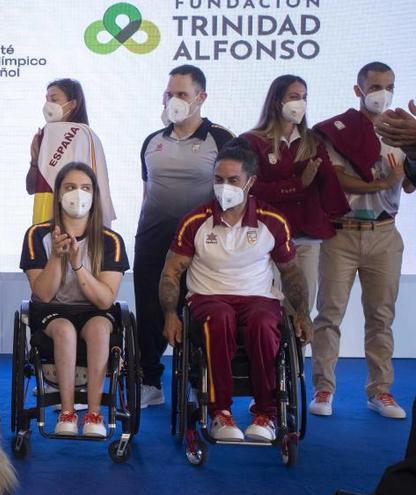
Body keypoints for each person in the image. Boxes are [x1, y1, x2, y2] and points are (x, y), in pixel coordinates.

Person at [160, 140, 313, 443]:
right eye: (218, 180)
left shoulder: (273, 221)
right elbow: (171, 271)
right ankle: (221, 412)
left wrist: (304, 314)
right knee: (219, 317)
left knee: (264, 323)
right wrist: (169, 314)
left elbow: (292, 272)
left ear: (251, 182)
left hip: (258, 298)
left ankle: (266, 414)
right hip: (208, 298)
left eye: (233, 180)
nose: (224, 187)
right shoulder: (195, 221)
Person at [309, 62, 415, 419]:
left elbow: (411, 182)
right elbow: (336, 179)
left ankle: (380, 392)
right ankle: (324, 390)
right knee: (329, 314)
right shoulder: (336, 131)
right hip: (342, 232)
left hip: (384, 234)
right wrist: (383, 183)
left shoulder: (403, 131)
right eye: (374, 86)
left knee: (381, 317)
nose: (381, 93)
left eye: (388, 85)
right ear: (358, 90)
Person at [134, 65, 235, 409]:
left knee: (193, 311)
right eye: (169, 94)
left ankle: (195, 380)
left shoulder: (221, 139)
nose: (173, 101)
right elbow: (148, 193)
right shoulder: (152, 141)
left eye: (181, 95)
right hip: (152, 238)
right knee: (149, 311)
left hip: (198, 244)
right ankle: (150, 380)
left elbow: (234, 194)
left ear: (200, 98)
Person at [20, 161, 128, 437]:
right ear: (58, 194)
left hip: (94, 310)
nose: (77, 194)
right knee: (65, 331)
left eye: (85, 188)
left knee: (100, 329)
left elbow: (105, 300)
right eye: (70, 187)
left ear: (94, 195)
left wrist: (78, 265)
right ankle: (67, 412)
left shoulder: (111, 241)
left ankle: (94, 413)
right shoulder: (37, 235)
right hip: (52, 310)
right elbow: (43, 293)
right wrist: (57, 256)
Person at [240, 74, 350, 316]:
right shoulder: (252, 141)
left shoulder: (313, 141)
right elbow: (252, 189)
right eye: (293, 97)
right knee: (268, 307)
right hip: (266, 237)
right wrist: (298, 185)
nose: (300, 103)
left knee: (301, 310)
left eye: (304, 97)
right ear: (276, 101)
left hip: (306, 238)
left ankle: (298, 354)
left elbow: (327, 184)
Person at [27, 79, 115, 227]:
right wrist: (34, 162)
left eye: (54, 99)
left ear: (73, 104)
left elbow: (95, 182)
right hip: (43, 217)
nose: (48, 104)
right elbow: (31, 188)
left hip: (76, 220)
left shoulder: (84, 134)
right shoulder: (44, 134)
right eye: (46, 99)